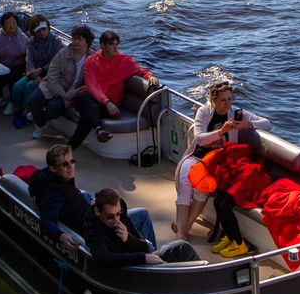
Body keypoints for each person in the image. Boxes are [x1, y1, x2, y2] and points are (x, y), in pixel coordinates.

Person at [173, 81, 254, 240]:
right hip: (197, 156)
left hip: (217, 163)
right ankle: (182, 232)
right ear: (214, 100)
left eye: (230, 99)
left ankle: (183, 229)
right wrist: (221, 132)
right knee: (185, 183)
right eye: (224, 100)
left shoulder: (235, 113)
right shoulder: (204, 111)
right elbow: (199, 138)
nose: (228, 104)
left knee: (203, 187)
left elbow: (267, 124)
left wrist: (246, 124)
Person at [75, 30, 157, 149]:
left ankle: (70, 148)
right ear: (102, 45)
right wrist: (106, 101)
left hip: (111, 104)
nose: (115, 47)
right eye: (111, 44)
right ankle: (98, 130)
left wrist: (150, 76)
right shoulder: (91, 61)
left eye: (116, 44)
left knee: (86, 113)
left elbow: (142, 71)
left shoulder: (124, 61)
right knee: (82, 99)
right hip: (95, 99)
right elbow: (92, 86)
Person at [81, 188, 198, 267]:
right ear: (97, 211)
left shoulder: (121, 218)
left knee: (181, 248)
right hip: (133, 267)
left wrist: (128, 238)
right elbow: (104, 259)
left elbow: (144, 246)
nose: (116, 220)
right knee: (182, 247)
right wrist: (143, 258)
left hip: (140, 258)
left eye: (118, 213)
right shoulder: (94, 230)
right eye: (110, 217)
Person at [29, 25, 94, 139]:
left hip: (74, 92)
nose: (75, 42)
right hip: (54, 87)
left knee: (54, 107)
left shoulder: (93, 58)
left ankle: (40, 119)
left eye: (79, 39)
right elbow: (52, 77)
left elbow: (92, 82)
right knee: (33, 99)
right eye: (74, 38)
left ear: (87, 42)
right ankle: (40, 122)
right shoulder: (63, 53)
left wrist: (73, 93)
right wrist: (63, 94)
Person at [28, 143, 93, 255]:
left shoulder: (60, 177)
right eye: (65, 164)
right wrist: (61, 236)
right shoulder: (53, 194)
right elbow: (47, 221)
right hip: (90, 227)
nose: (71, 167)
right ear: (52, 168)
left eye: (72, 161)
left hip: (89, 213)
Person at [10, 16, 60, 128]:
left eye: (44, 29)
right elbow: (29, 60)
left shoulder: (56, 41)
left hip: (48, 73)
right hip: (33, 72)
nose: (42, 33)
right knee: (17, 87)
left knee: (29, 87)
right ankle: (18, 108)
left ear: (48, 28)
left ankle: (26, 112)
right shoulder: (31, 42)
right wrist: (33, 72)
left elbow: (56, 62)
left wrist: (42, 70)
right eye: (38, 31)